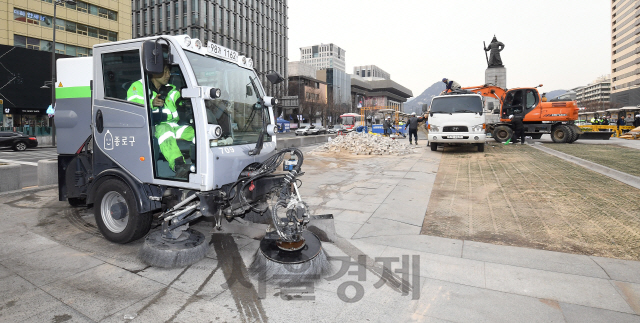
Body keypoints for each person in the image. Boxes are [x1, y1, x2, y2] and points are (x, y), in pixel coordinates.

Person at [127, 64, 194, 177]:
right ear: (153, 71)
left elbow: (180, 101)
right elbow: (133, 111)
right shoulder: (138, 87)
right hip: (152, 128)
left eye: (169, 72)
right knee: (165, 129)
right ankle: (179, 165)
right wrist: (151, 103)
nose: (168, 75)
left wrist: (186, 98)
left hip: (175, 126)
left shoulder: (171, 89)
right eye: (165, 71)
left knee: (197, 133)